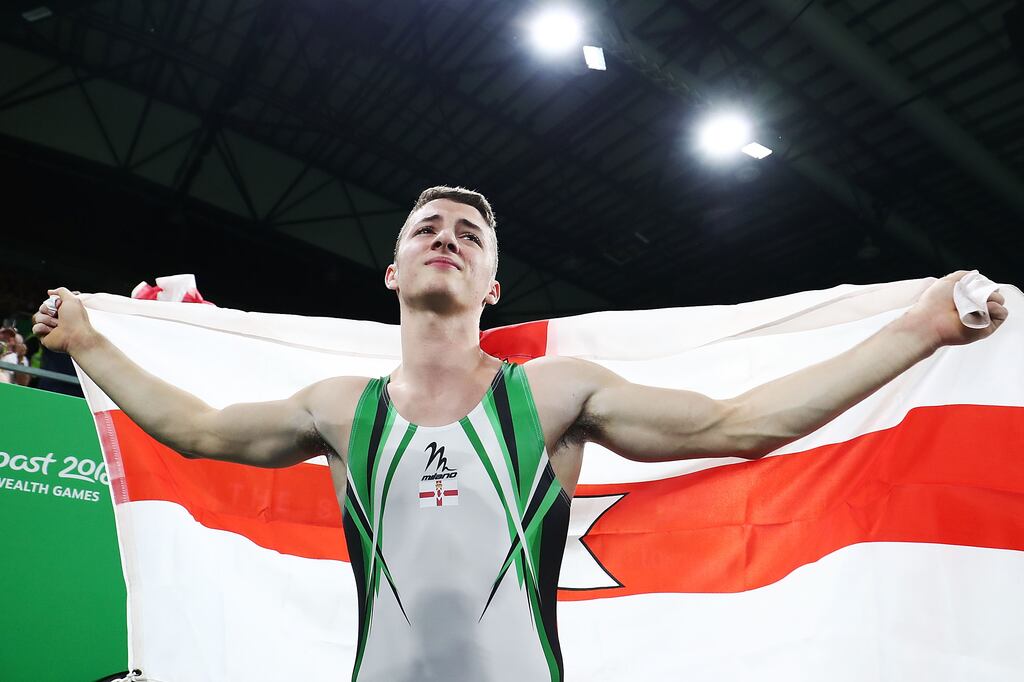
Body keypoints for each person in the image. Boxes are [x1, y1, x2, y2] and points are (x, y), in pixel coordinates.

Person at [32, 186, 1008, 681]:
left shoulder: (550, 397)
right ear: (392, 272)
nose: (445, 236)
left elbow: (744, 424)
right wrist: (85, 341)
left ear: (493, 287)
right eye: (426, 227)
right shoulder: (340, 408)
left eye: (468, 232)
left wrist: (918, 327)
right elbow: (196, 430)